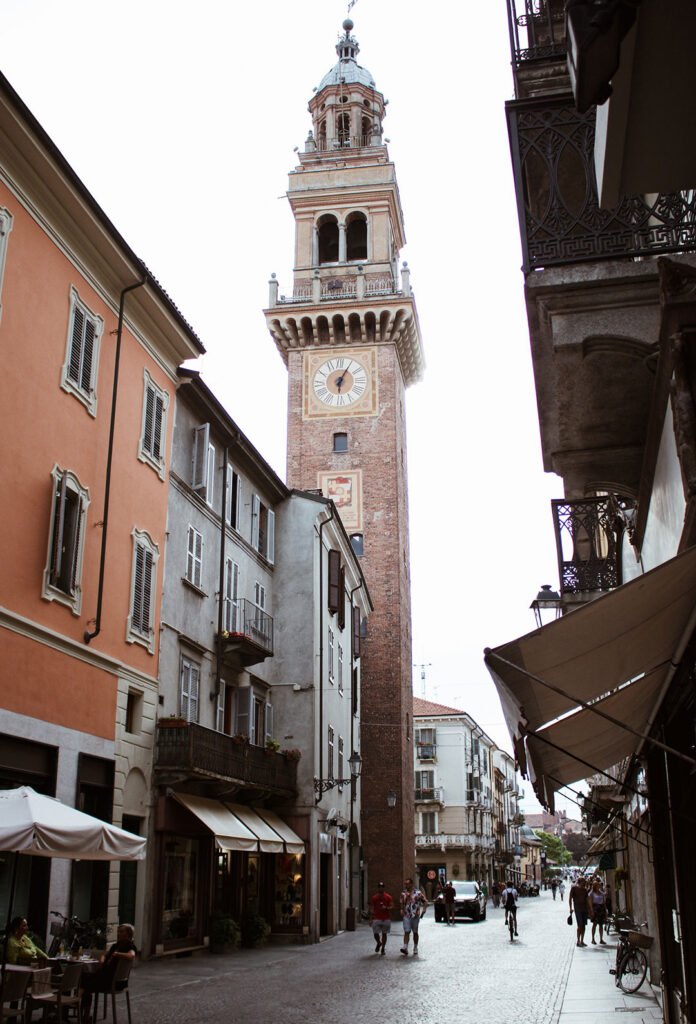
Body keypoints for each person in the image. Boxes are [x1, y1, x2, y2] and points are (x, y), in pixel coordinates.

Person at [80, 923, 137, 1023]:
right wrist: (103, 958)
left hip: (114, 982)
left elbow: (131, 955)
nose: (118, 934)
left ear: (128, 934)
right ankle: (82, 1013)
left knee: (85, 983)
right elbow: (105, 955)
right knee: (83, 978)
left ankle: (83, 1014)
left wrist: (117, 954)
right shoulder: (116, 945)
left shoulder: (129, 946)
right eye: (118, 931)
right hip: (106, 977)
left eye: (121, 932)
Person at [399, 877, 427, 956]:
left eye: (407, 884)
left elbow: (425, 901)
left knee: (415, 932)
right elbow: (401, 903)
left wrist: (424, 910)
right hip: (406, 915)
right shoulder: (403, 893)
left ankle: (415, 947)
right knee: (407, 931)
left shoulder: (418, 893)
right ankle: (405, 947)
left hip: (415, 915)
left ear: (411, 884)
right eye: (405, 884)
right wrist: (401, 909)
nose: (406, 885)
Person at [370, 881, 393, 955]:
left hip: (386, 918)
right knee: (375, 933)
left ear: (384, 888)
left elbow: (392, 906)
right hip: (377, 918)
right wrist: (370, 919)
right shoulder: (374, 897)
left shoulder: (388, 897)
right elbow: (371, 908)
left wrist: (386, 908)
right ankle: (379, 943)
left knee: (384, 934)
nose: (381, 888)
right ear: (378, 888)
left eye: (382, 887)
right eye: (379, 887)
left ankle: (383, 948)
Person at [569, 875, 590, 947]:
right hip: (577, 909)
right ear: (580, 881)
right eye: (583, 881)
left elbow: (587, 900)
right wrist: (570, 908)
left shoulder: (585, 890)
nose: (584, 883)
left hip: (584, 909)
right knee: (580, 925)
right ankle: (578, 941)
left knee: (584, 926)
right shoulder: (574, 888)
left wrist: (590, 909)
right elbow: (570, 898)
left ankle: (582, 940)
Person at [589, 878, 607, 945]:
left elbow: (604, 902)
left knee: (601, 925)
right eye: (597, 885)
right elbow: (590, 902)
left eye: (599, 885)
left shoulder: (601, 892)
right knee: (594, 924)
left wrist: (605, 911)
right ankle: (593, 939)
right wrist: (592, 911)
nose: (599, 886)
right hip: (595, 909)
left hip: (601, 909)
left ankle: (601, 939)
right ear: (594, 886)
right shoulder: (592, 893)